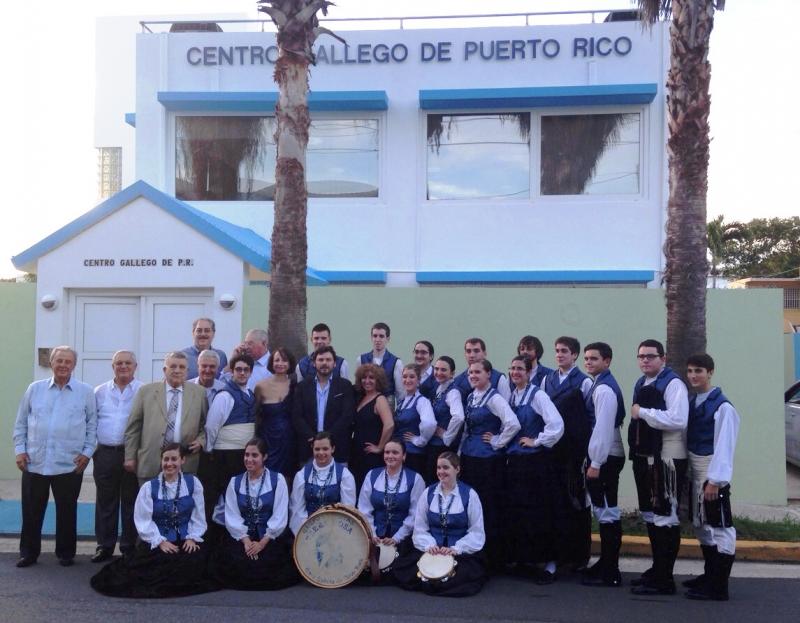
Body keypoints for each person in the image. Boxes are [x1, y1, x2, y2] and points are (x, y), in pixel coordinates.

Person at [90, 444, 216, 598]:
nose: (169, 463)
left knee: (194, 562)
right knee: (154, 567)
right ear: (161, 461)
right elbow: (143, 520)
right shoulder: (149, 487)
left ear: (182, 460)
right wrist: (160, 541)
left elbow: (198, 515)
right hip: (158, 540)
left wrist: (192, 537)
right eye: (166, 459)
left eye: (174, 459)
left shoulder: (193, 483)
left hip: (185, 539)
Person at [13, 346, 97, 568]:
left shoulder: (85, 392)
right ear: (51, 363)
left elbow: (92, 426)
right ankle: (28, 553)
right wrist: (20, 450)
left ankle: (66, 553)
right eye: (59, 361)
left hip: (69, 463)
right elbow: (21, 422)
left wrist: (87, 453)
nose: (63, 365)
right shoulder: (35, 389)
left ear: (74, 365)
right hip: (35, 461)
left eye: (67, 361)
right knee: (31, 510)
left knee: (67, 509)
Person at [628, 338, 689, 596]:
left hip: (667, 458)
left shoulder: (673, 383)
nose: (645, 360)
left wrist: (643, 412)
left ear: (662, 358)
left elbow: (678, 419)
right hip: (646, 457)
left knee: (666, 515)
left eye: (651, 356)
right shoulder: (642, 382)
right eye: (641, 356)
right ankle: (657, 569)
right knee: (652, 515)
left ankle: (665, 579)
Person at [683, 353, 739, 601]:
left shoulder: (723, 406)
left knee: (720, 526)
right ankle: (709, 575)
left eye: (699, 371)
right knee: (701, 523)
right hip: (696, 468)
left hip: (711, 470)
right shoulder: (694, 401)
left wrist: (715, 480)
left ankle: (719, 586)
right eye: (691, 371)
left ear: (710, 372)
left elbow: (725, 445)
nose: (694, 376)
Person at [503, 354, 564, 583]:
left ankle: (548, 563)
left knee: (539, 513)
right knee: (520, 513)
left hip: (535, 463)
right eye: (513, 368)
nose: (515, 372)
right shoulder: (512, 396)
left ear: (529, 372)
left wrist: (536, 441)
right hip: (516, 462)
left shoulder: (538, 394)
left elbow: (556, 425)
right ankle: (524, 560)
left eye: (520, 368)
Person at [392, 451, 487, 597]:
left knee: (463, 577)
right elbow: (420, 528)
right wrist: (430, 546)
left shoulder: (470, 495)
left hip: (458, 552)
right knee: (404, 569)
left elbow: (476, 531)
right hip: (432, 550)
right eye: (438, 468)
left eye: (446, 467)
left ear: (457, 469)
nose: (441, 472)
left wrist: (457, 548)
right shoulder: (428, 493)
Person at [210, 437, 299, 590]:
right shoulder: (234, 482)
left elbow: (279, 514)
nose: (249, 459)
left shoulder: (278, 480)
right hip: (244, 537)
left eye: (254, 455)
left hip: (269, 537)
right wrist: (246, 541)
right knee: (236, 562)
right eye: (246, 455)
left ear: (264, 457)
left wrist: (263, 542)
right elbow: (232, 516)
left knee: (270, 564)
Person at [459, 360, 520, 572]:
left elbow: (513, 423)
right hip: (469, 458)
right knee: (471, 507)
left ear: (488, 374)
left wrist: (497, 441)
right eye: (470, 373)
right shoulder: (470, 397)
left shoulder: (494, 397)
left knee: (488, 508)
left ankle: (492, 558)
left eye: (478, 372)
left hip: (487, 461)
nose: (473, 376)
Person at [541, 336, 594, 573]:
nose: (560, 355)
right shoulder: (547, 380)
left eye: (565, 351)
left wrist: (587, 452)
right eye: (557, 351)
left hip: (574, 452)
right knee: (555, 503)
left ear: (574, 355)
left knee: (577, 503)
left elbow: (591, 419)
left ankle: (579, 557)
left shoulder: (584, 382)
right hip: (552, 450)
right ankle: (557, 554)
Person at [580, 343, 626, 588]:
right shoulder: (599, 384)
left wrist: (596, 461)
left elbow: (603, 427)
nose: (588, 362)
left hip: (606, 456)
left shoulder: (605, 389)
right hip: (604, 455)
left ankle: (611, 571)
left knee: (607, 512)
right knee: (603, 511)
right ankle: (605, 563)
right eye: (586, 358)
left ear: (607, 361)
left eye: (594, 359)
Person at [92, 350, 144, 563]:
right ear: (112, 366)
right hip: (105, 453)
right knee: (105, 502)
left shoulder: (144, 391)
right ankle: (104, 546)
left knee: (131, 501)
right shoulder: (99, 391)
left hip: (132, 453)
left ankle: (128, 546)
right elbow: (91, 421)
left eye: (127, 363)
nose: (123, 366)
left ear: (135, 366)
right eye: (119, 363)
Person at [124, 351, 208, 483]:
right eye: (173, 366)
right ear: (164, 369)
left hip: (185, 464)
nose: (177, 370)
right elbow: (134, 427)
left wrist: (201, 441)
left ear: (187, 371)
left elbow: (205, 425)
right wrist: (130, 457)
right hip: (150, 462)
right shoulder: (146, 392)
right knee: (149, 502)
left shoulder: (199, 393)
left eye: (181, 367)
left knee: (182, 502)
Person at [204, 354, 257, 530]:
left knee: (238, 497)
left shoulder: (250, 394)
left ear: (250, 372)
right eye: (238, 369)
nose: (242, 373)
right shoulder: (225, 396)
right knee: (225, 497)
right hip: (226, 455)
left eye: (246, 370)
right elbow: (212, 426)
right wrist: (209, 450)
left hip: (242, 455)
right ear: (232, 372)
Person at [357, 439, 426, 563]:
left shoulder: (416, 479)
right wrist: (372, 534)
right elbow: (364, 509)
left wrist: (397, 538)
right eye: (387, 452)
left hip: (404, 539)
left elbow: (415, 514)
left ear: (404, 456)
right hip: (375, 536)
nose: (390, 456)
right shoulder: (372, 475)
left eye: (395, 452)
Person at [291, 346, 355, 466]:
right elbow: (297, 416)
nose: (324, 363)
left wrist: (328, 439)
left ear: (334, 363)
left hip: (337, 448)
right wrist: (312, 438)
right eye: (320, 360)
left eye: (328, 360)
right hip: (309, 448)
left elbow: (347, 416)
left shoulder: (345, 386)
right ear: (314, 363)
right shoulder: (302, 386)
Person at [289, 432, 356, 535]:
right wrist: (305, 533)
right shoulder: (302, 475)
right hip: (308, 533)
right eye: (317, 449)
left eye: (325, 449)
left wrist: (336, 532)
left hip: (336, 532)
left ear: (332, 449)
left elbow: (348, 510)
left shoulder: (344, 475)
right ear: (312, 449)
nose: (321, 453)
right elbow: (297, 509)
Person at [350, 363, 395, 489]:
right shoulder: (361, 398)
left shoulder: (380, 399)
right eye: (364, 378)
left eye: (371, 378)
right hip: (357, 453)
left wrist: (380, 447)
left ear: (378, 380)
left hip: (371, 456)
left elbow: (389, 424)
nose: (367, 381)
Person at [255, 348, 297, 479]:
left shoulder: (296, 386)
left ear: (290, 363)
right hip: (268, 438)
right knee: (267, 473)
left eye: (284, 360)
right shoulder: (261, 386)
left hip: (289, 439)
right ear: (271, 363)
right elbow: (256, 415)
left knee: (288, 474)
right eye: (277, 360)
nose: (280, 363)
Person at [424, 356, 465, 484]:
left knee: (439, 482)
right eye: (436, 369)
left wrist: (446, 436)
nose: (439, 373)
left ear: (452, 373)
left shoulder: (453, 392)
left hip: (442, 449)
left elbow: (459, 417)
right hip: (434, 445)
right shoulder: (438, 388)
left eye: (443, 370)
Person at [394, 363, 436, 475]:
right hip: (400, 452)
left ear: (419, 380)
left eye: (412, 377)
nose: (407, 380)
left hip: (414, 454)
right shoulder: (402, 401)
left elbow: (429, 423)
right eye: (405, 376)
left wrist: (419, 440)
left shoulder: (422, 401)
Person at [452, 338, 511, 404]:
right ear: (465, 354)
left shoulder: (498, 378)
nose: (472, 355)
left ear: (484, 353)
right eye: (468, 351)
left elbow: (506, 406)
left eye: (476, 351)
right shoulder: (457, 381)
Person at [359, 322, 403, 406]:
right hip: (366, 405)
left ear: (388, 339)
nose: (378, 339)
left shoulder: (396, 362)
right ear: (371, 338)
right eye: (375, 336)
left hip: (387, 405)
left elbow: (400, 392)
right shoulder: (361, 359)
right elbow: (359, 386)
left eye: (381, 336)